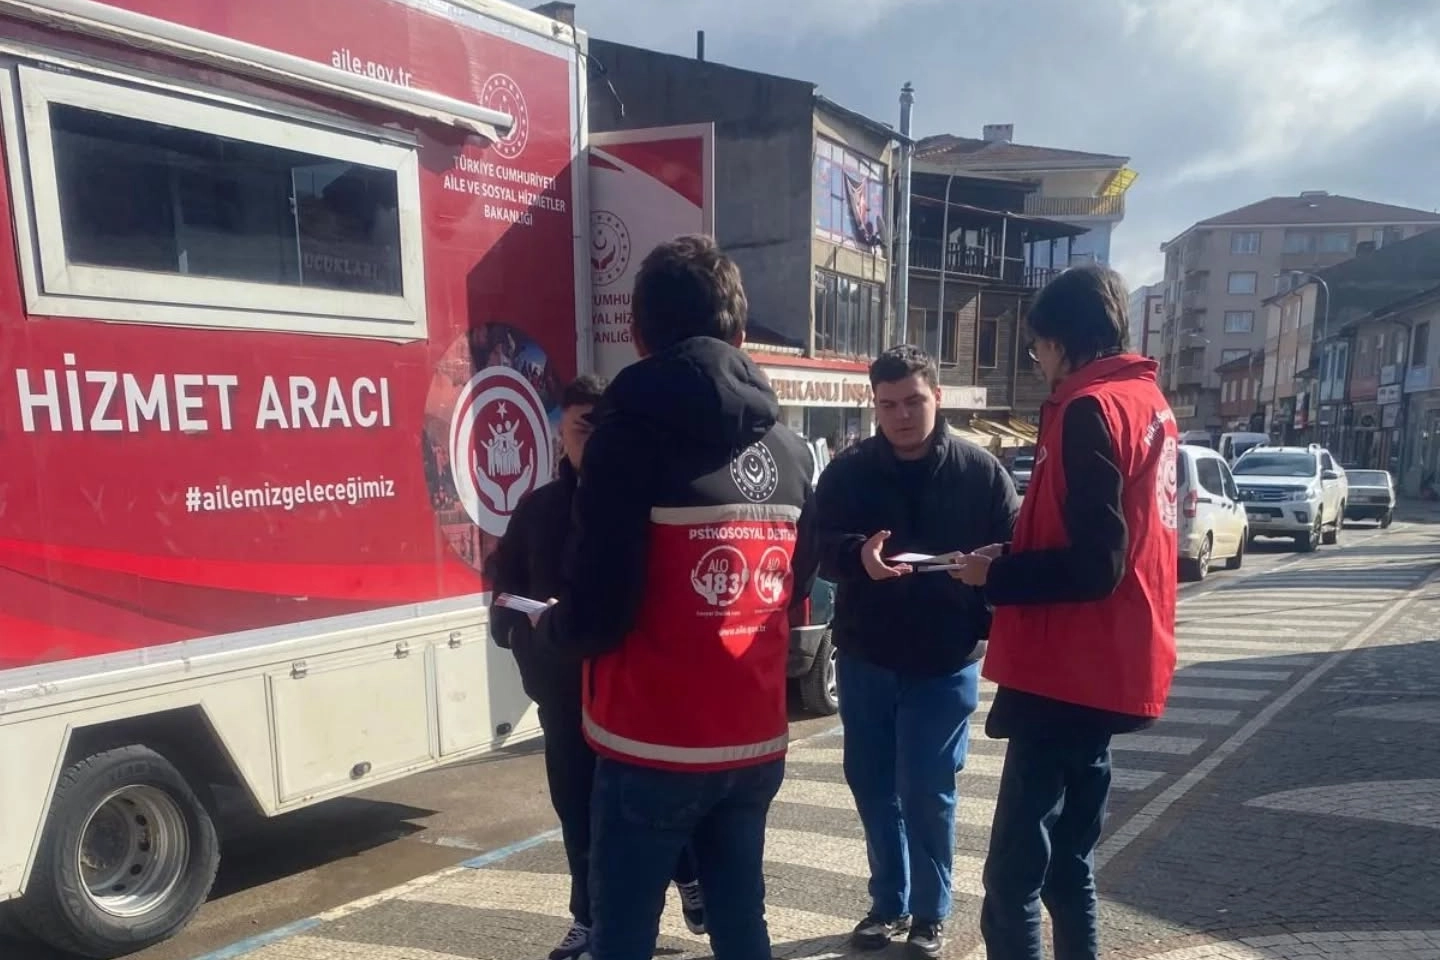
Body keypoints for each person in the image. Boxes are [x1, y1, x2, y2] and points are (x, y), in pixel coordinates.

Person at [525, 234, 818, 960]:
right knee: (741, 923)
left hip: (650, 739)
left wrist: (550, 633)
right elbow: (797, 585)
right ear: (740, 335)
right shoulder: (788, 450)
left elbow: (599, 606)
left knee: (623, 935)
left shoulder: (626, 441)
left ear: (638, 334)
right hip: (752, 736)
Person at [950, 264, 1179, 960]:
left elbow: (1096, 562)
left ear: (1058, 342)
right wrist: (1014, 549)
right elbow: (1114, 538)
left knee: (1012, 879)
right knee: (1069, 866)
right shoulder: (1147, 402)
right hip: (1115, 662)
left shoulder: (1088, 409)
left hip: (1068, 669)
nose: (1039, 363)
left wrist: (997, 575)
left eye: (1037, 348)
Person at [486, 374, 706, 960]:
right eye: (584, 426)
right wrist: (513, 630)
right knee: (578, 815)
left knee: (654, 806)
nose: (596, 438)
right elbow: (504, 578)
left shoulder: (648, 502)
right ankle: (587, 920)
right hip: (563, 692)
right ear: (561, 429)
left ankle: (689, 876)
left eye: (606, 426)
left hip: (635, 691)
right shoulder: (539, 507)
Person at [813, 344, 1019, 958]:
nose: (901, 415)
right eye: (888, 405)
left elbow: (1018, 546)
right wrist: (856, 556)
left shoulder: (981, 472)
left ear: (937, 397)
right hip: (866, 655)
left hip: (944, 658)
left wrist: (992, 567)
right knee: (871, 783)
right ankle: (888, 903)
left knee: (927, 788)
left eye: (913, 401)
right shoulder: (848, 472)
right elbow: (817, 546)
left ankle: (931, 912)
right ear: (874, 405)